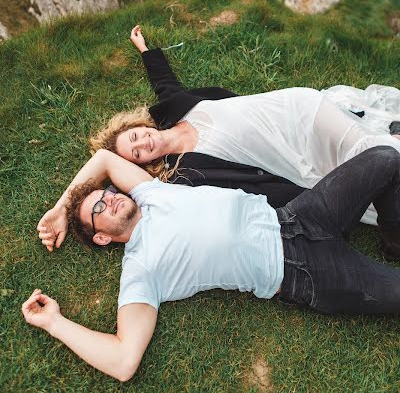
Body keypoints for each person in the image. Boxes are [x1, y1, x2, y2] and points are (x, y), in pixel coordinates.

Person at [24, 146, 400, 382]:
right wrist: (55, 322)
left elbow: (104, 160)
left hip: (298, 216)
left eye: (107, 194)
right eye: (99, 210)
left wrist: (61, 209)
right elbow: (124, 361)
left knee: (385, 159)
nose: (111, 200)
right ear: (102, 237)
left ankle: (393, 240)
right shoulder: (141, 269)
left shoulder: (150, 193)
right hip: (306, 271)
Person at [37, 26, 400, 251]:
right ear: (141, 163)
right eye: (134, 152)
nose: (141, 142)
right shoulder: (185, 176)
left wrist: (145, 50)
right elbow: (102, 165)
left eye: (135, 135)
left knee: (371, 149)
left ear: (142, 125)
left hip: (300, 110)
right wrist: (61, 209)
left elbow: (165, 82)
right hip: (297, 162)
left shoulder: (173, 109)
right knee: (375, 165)